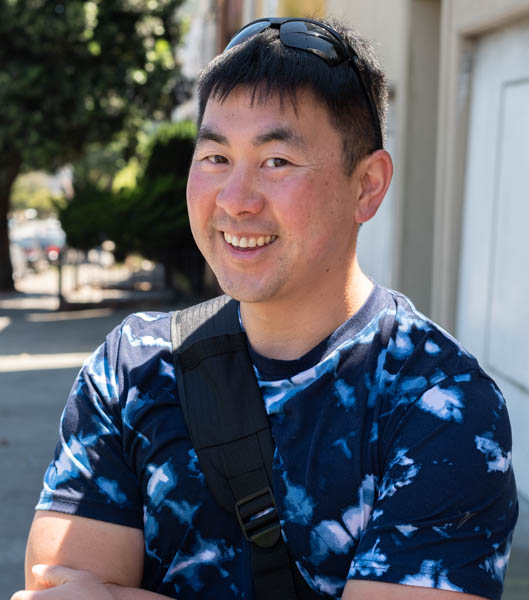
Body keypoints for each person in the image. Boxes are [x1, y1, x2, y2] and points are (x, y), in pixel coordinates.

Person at [12, 16, 517, 600]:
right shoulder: (134, 368)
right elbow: (58, 585)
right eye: (215, 157)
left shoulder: (439, 400)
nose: (235, 200)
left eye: (277, 161)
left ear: (367, 186)